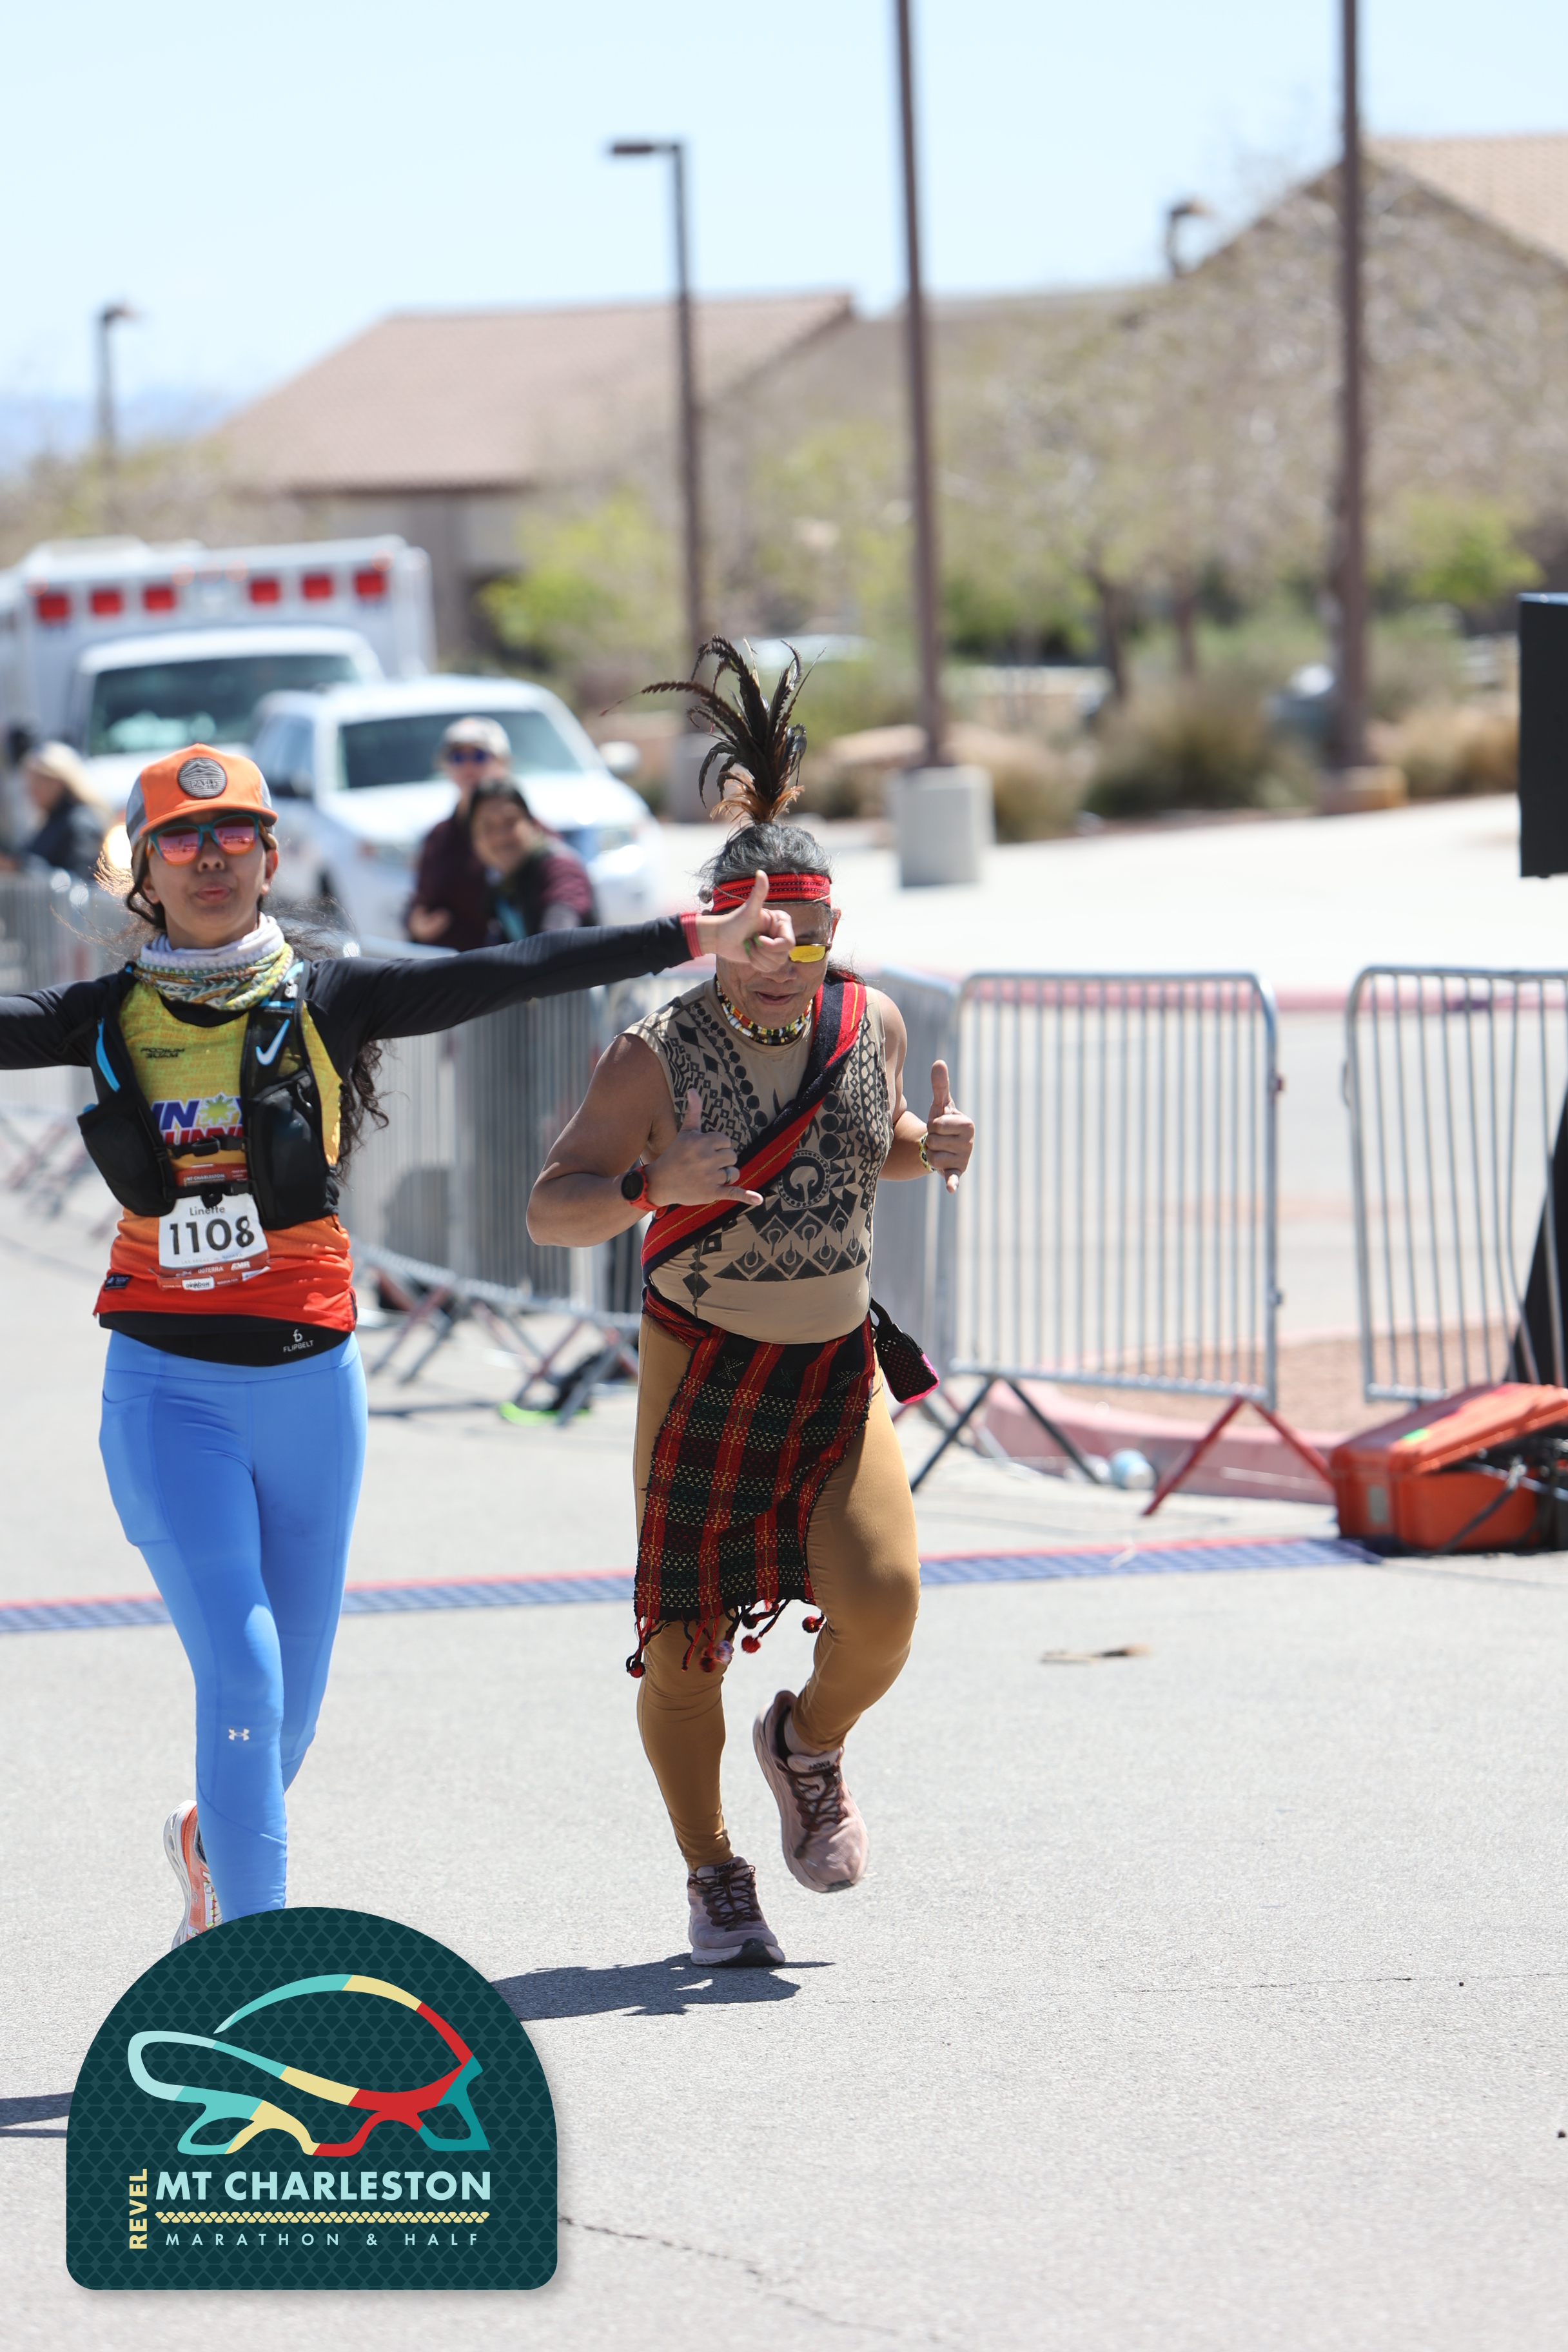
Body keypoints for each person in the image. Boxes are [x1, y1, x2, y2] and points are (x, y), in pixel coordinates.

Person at [0, 740, 794, 1949]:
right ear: (144, 873)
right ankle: (251, 1971)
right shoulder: (101, 1016)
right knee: (244, 1679)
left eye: (235, 836)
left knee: (288, 1712)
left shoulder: (332, 998)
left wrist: (692, 934)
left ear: (271, 860)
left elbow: (510, 970)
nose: (211, 857)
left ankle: (215, 1841)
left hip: (312, 1388)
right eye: (182, 839)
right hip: (169, 1392)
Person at [529, 642, 975, 1968]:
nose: (783, 961)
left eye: (807, 934)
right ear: (719, 930)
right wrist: (646, 1183)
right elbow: (551, 1206)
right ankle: (713, 1869)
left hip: (834, 1368)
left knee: (884, 1605)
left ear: (834, 928)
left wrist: (930, 1147)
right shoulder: (652, 1053)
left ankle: (807, 1745)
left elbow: (870, 1143)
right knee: (684, 1652)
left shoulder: (869, 1022)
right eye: (756, 937)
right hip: (703, 1371)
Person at [406, 715, 511, 948]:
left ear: (503, 763)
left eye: (480, 756)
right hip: (452, 960)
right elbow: (420, 900)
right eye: (458, 757)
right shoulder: (439, 836)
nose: (468, 767)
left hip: (512, 958)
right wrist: (417, 923)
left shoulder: (525, 830)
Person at [468, 777, 598, 940]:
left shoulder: (561, 866)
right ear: (474, 839)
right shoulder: (499, 879)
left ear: (533, 825)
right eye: (488, 826)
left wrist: (553, 938)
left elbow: (558, 931)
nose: (501, 836)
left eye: (510, 822)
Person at [0, 741, 108, 881]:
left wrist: (20, 867)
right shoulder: (51, 820)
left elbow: (80, 879)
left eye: (35, 785)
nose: (31, 793)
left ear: (56, 783)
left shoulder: (81, 824)